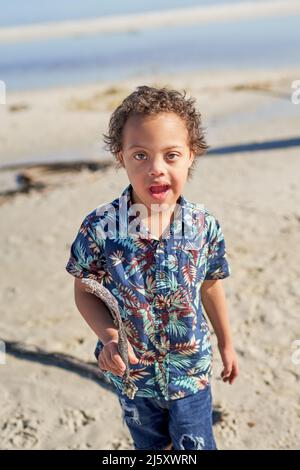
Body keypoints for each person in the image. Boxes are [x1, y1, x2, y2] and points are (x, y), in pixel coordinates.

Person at [65, 85, 239, 450]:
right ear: (120, 156)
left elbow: (210, 284)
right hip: (133, 379)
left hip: (190, 374)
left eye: (171, 155)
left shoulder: (203, 225)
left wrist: (226, 343)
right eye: (140, 155)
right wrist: (109, 337)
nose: (156, 169)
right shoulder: (99, 227)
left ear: (192, 155)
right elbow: (85, 290)